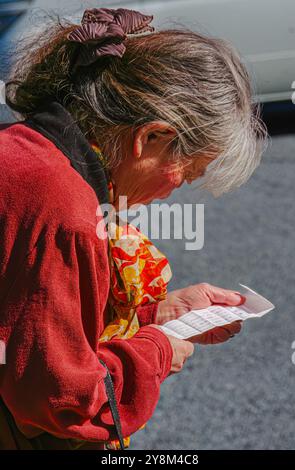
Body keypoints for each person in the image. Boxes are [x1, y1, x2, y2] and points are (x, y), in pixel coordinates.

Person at [0, 7, 266, 450]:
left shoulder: (24, 148)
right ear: (150, 138)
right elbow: (61, 399)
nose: (171, 194)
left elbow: (28, 321)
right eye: (186, 171)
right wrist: (156, 350)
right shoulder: (61, 205)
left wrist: (156, 315)